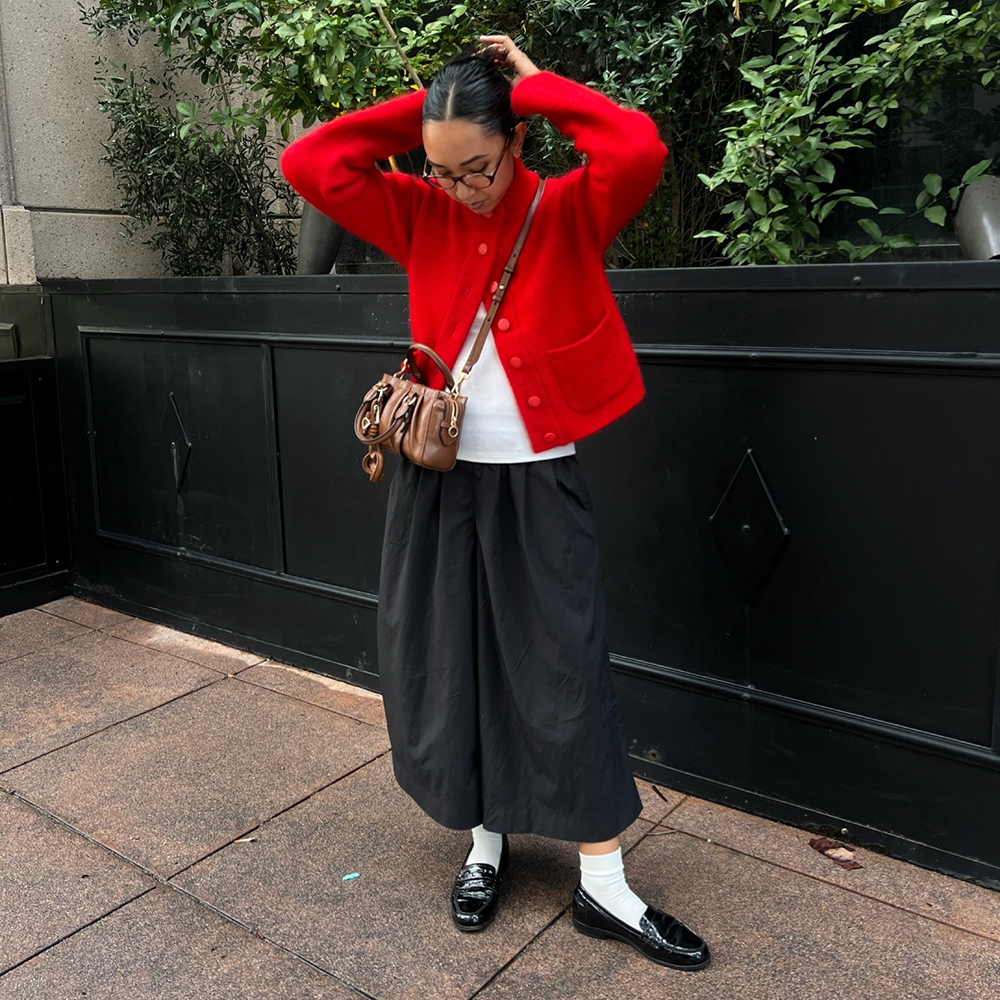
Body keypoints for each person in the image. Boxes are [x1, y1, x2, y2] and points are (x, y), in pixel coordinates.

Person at [280, 33, 711, 972]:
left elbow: (637, 148)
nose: (460, 188)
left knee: (567, 669)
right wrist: (431, 114)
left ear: (515, 143)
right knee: (449, 660)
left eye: (477, 166)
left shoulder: (566, 210)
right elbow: (307, 161)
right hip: (437, 479)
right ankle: (485, 843)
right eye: (442, 172)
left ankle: (604, 882)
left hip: (538, 479)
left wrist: (533, 90)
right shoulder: (417, 210)